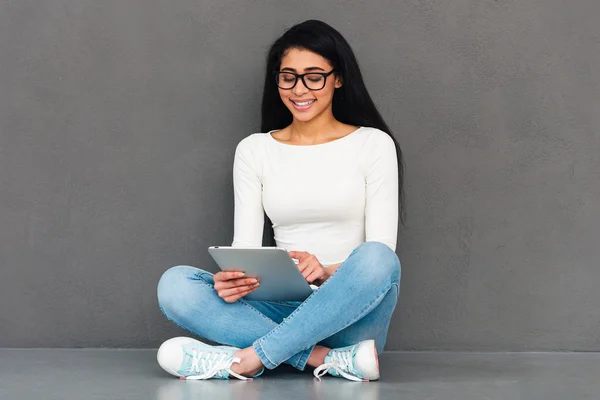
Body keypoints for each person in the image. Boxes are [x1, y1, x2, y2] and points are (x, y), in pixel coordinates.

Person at [156, 19, 405, 382]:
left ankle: (246, 359)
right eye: (288, 76)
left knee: (379, 259)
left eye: (314, 76)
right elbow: (244, 248)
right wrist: (234, 279)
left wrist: (324, 270)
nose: (299, 89)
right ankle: (323, 359)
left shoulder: (373, 144)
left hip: (348, 312)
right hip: (276, 308)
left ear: (338, 78)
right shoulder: (255, 150)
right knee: (174, 285)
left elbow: (381, 251)